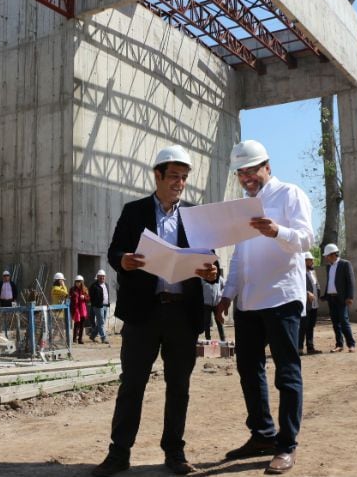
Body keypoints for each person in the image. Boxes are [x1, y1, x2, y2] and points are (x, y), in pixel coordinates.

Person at [92, 145, 218, 477]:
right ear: (158, 175)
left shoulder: (194, 215)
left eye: (184, 178)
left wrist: (211, 272)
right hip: (143, 314)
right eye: (174, 176)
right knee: (132, 384)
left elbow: (210, 258)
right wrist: (124, 260)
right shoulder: (134, 212)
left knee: (179, 386)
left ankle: (174, 452)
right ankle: (119, 453)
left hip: (182, 314)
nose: (180, 183)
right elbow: (114, 251)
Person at [215, 140, 313, 475]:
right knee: (249, 370)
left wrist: (277, 231)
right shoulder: (244, 206)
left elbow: (306, 239)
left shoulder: (289, 195)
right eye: (241, 173)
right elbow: (240, 256)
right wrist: (228, 294)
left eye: (251, 171)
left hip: (282, 297)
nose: (247, 178)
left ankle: (286, 446)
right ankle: (262, 434)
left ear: (266, 167)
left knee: (286, 372)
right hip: (250, 301)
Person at [321, 243, 356, 353]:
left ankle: (351, 344)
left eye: (327, 255)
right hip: (331, 299)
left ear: (333, 254)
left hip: (341, 298)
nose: (326, 258)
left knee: (344, 322)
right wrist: (325, 295)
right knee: (335, 323)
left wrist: (350, 296)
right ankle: (339, 345)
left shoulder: (345, 264)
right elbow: (330, 283)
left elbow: (351, 282)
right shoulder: (329, 267)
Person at [299, 252, 321, 355]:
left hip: (314, 304)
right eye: (310, 260)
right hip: (305, 305)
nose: (312, 261)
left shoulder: (313, 272)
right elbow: (298, 287)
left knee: (311, 326)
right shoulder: (299, 273)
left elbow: (316, 285)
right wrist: (307, 293)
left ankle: (310, 348)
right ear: (304, 261)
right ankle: (299, 348)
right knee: (303, 326)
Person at [201, 269, 226, 341]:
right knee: (207, 322)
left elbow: (225, 285)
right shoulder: (202, 278)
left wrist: (221, 293)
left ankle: (223, 339)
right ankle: (208, 339)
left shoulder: (218, 278)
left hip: (217, 304)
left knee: (219, 321)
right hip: (206, 304)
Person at [89, 269, 111, 344]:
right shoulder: (94, 286)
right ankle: (103, 338)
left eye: (103, 276)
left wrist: (108, 303)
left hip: (105, 305)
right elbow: (91, 296)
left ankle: (92, 335)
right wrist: (95, 304)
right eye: (100, 277)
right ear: (97, 277)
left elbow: (107, 294)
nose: (102, 278)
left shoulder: (106, 285)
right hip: (98, 306)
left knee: (101, 322)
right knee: (101, 322)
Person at [0, 270, 18, 337]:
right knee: (2, 315)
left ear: (9, 277)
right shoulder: (0, 284)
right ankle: (2, 329)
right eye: (5, 276)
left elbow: (15, 292)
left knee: (10, 315)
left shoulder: (12, 284)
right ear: (3, 277)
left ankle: (10, 328)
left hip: (10, 302)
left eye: (7, 276)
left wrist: (15, 300)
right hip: (3, 302)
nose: (6, 277)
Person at [69, 275, 90, 344]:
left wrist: (84, 297)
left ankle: (80, 339)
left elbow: (88, 298)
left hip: (82, 308)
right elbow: (70, 298)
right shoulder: (72, 289)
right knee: (76, 324)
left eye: (79, 282)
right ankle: (74, 339)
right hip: (76, 308)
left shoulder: (85, 289)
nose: (78, 283)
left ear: (82, 282)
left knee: (82, 325)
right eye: (76, 282)